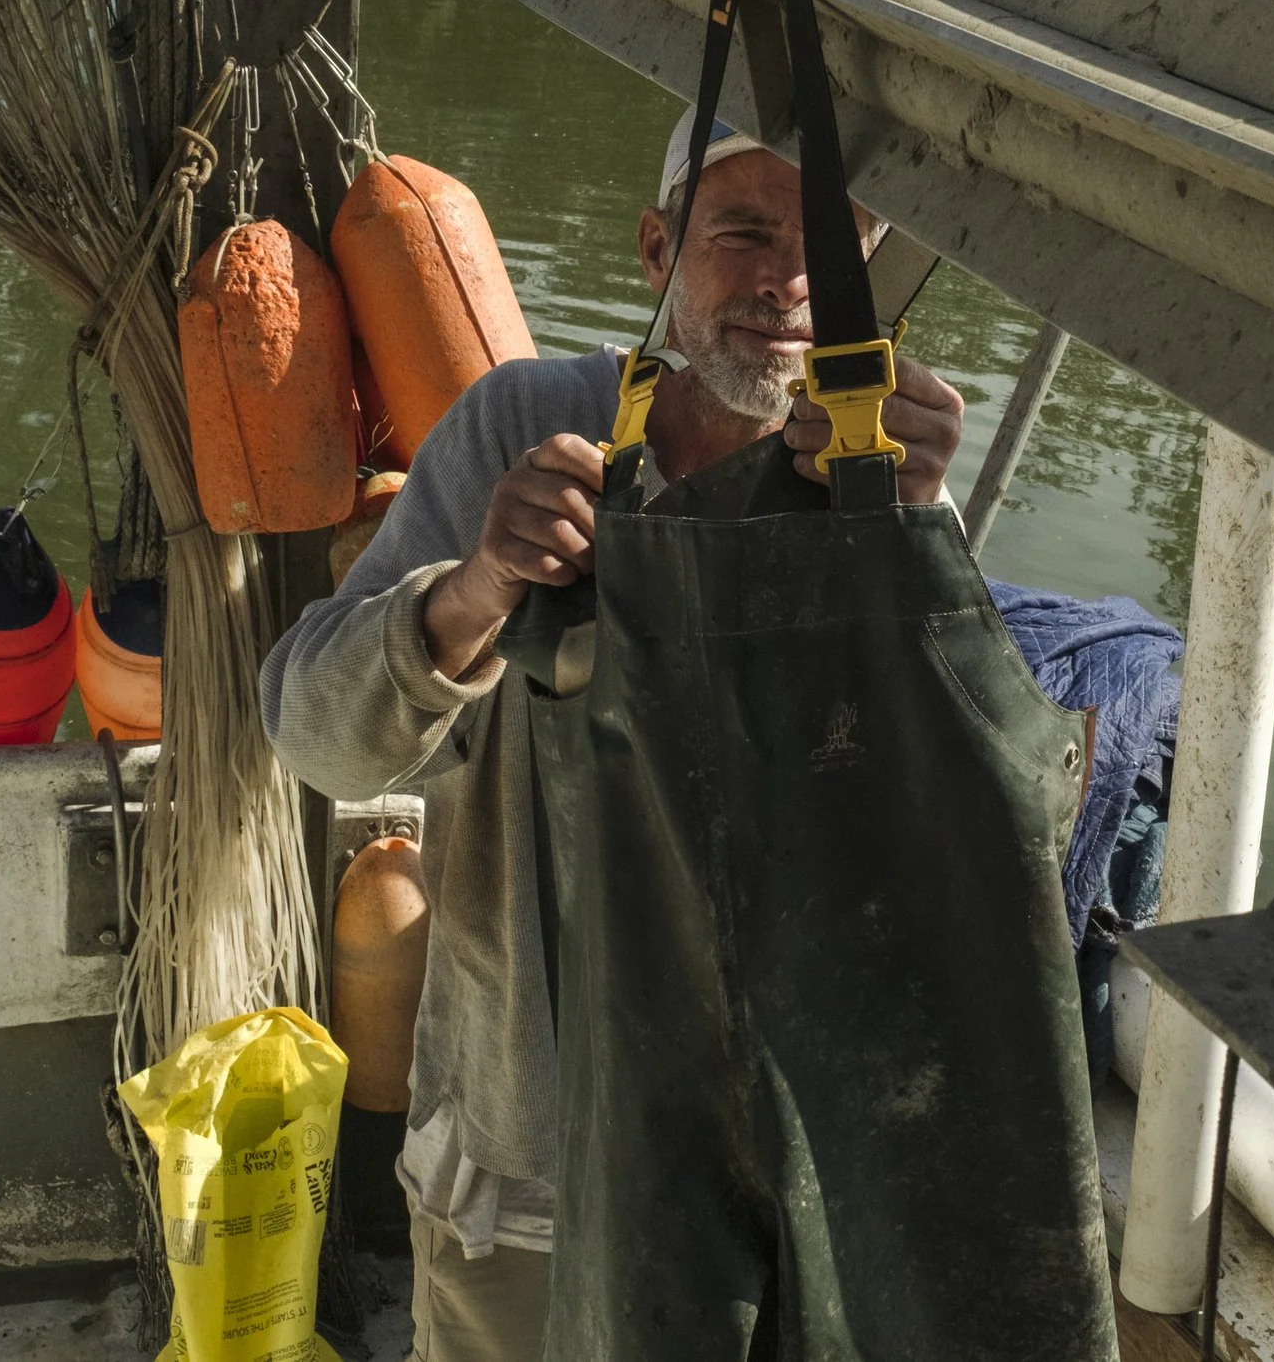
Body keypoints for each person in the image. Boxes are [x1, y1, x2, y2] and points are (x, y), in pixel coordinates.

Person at [260, 111, 966, 1362]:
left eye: (829, 243)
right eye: (742, 230)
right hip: (530, 1171)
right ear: (654, 249)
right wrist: (474, 589)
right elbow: (314, 735)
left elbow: (950, 838)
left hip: (782, 1173)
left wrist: (917, 558)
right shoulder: (520, 429)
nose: (787, 279)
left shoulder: (885, 478)